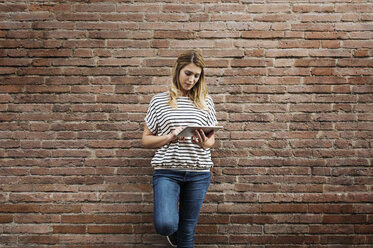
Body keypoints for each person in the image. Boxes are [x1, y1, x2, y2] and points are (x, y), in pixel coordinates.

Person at [142, 50, 218, 247]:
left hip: (198, 173)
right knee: (166, 224)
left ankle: (182, 236)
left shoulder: (205, 101)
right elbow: (146, 140)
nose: (191, 79)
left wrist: (204, 142)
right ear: (178, 71)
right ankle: (172, 232)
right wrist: (169, 136)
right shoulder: (159, 101)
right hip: (167, 171)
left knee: (187, 236)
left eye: (196, 75)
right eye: (188, 73)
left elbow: (211, 142)